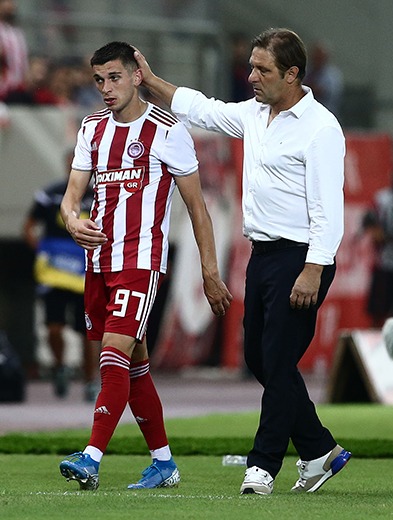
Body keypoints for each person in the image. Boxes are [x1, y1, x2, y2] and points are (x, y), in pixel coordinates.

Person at [135, 27, 351, 495]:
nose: (251, 76)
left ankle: (263, 466)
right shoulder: (255, 114)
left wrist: (314, 268)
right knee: (259, 358)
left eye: (262, 69)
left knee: (278, 359)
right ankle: (318, 449)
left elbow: (328, 210)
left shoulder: (320, 128)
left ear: (292, 74)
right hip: (263, 255)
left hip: (300, 257)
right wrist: (150, 81)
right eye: (251, 66)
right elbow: (203, 109)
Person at [58, 41, 232, 491]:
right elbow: (71, 196)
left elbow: (197, 208)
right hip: (99, 261)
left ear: (137, 76)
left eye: (115, 77)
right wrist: (72, 221)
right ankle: (164, 463)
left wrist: (210, 272)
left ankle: (91, 457)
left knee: (112, 353)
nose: (106, 88)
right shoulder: (92, 128)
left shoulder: (168, 130)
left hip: (140, 262)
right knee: (134, 366)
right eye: (99, 80)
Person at [23, 152, 99, 402]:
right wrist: (43, 252)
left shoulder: (100, 195)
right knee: (53, 328)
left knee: (87, 331)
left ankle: (90, 380)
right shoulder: (51, 194)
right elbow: (28, 227)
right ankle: (60, 367)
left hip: (84, 275)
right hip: (55, 274)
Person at [361, 163, 393, 328]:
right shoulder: (383, 199)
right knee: (378, 311)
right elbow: (368, 221)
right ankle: (375, 340)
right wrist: (378, 233)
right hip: (384, 262)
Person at [303, 40, 343, 118]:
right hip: (306, 115)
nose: (316, 60)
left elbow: (323, 92)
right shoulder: (306, 71)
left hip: (325, 115)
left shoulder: (332, 75)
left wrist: (305, 88)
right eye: (315, 57)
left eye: (319, 57)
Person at [0, 0, 29, 101]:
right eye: (7, 2)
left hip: (18, 85)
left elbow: (23, 61)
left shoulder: (17, 33)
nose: (11, 6)